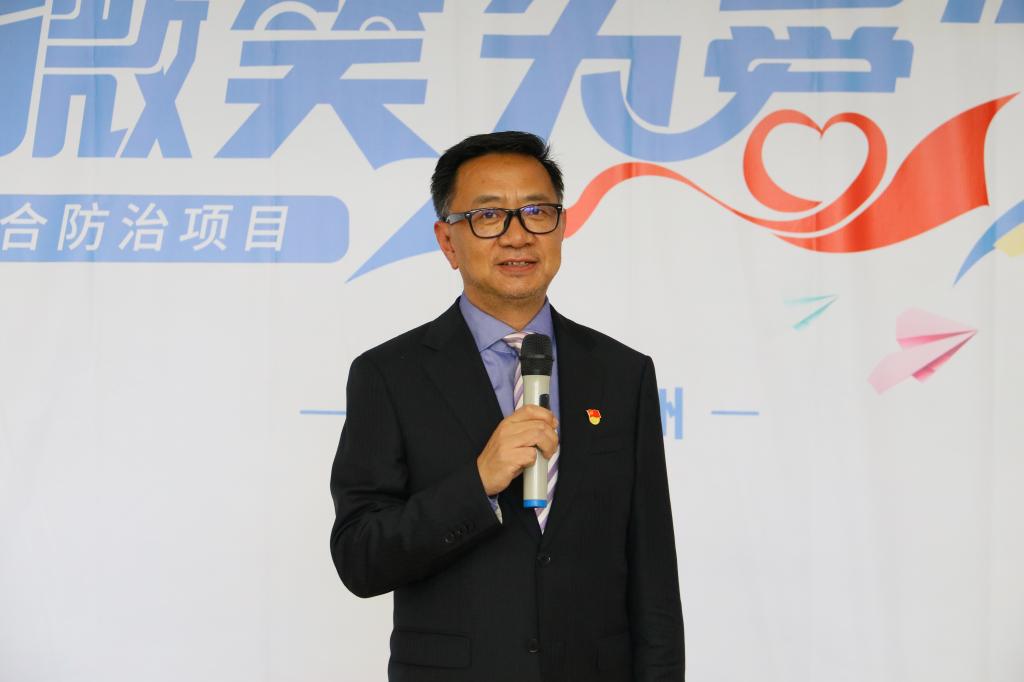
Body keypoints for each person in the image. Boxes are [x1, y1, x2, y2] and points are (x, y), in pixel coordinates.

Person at [330, 131, 684, 681]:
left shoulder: (622, 373)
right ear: (448, 241)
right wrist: (478, 484)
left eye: (537, 212)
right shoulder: (389, 375)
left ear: (561, 227)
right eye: (489, 216)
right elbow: (360, 557)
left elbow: (653, 572)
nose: (517, 235)